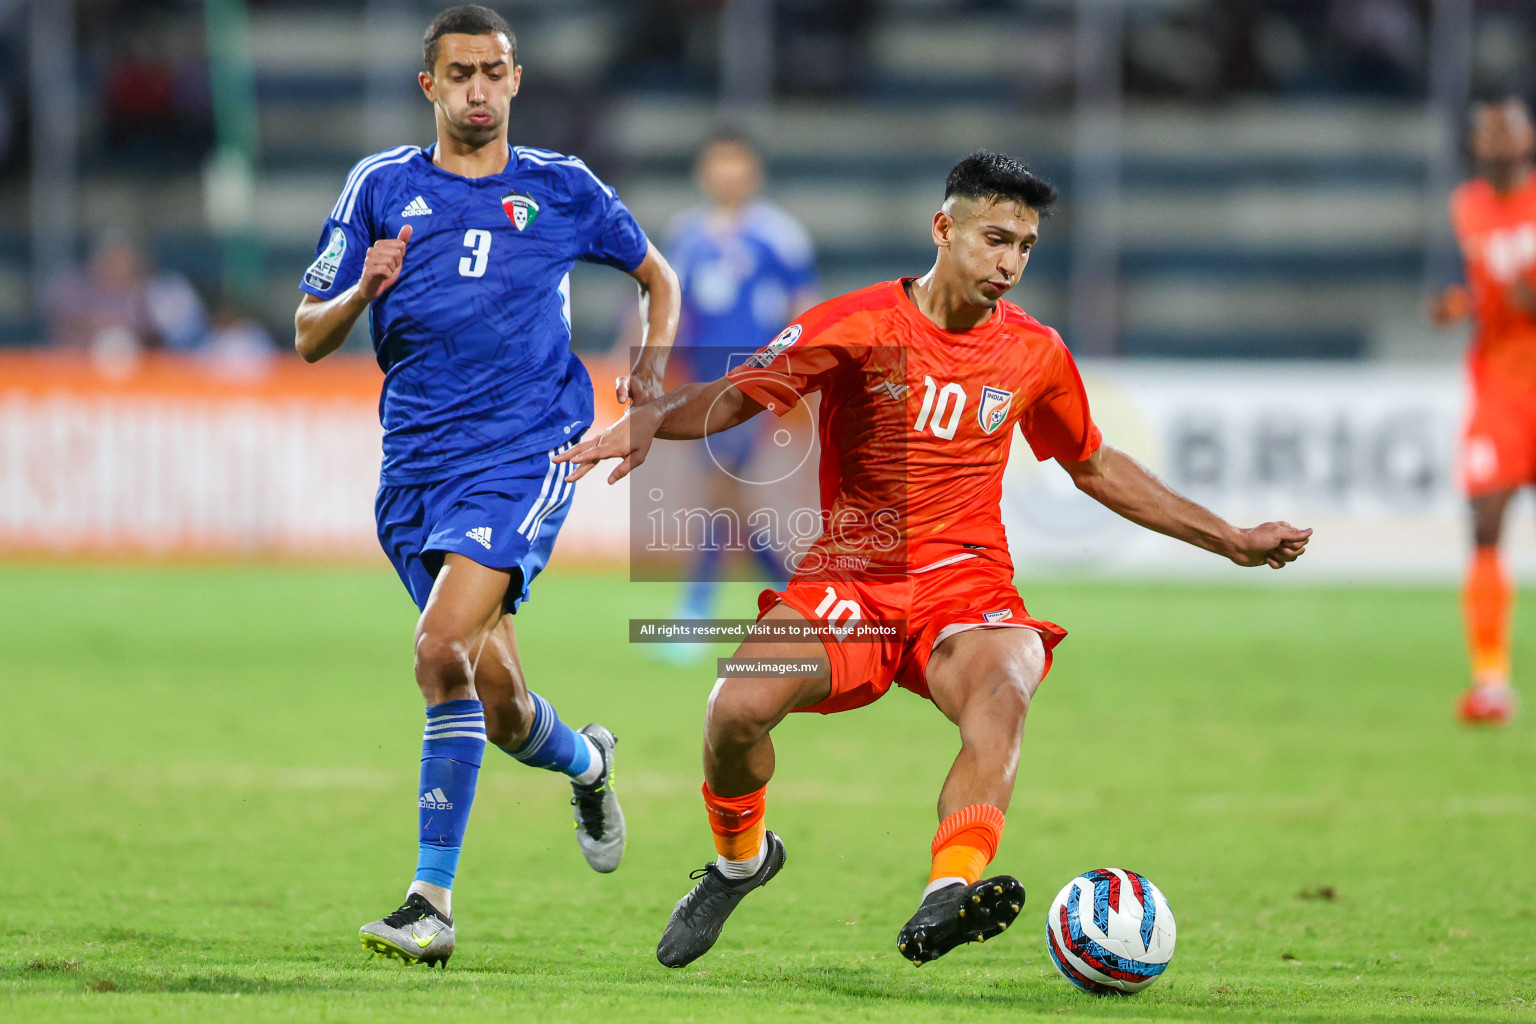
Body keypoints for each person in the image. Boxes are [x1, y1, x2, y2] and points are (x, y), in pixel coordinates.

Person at [558, 152, 1310, 969]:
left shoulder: (1035, 354)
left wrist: (1229, 538)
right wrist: (653, 418)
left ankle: (946, 894)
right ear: (942, 229)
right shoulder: (856, 325)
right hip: (851, 582)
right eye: (994, 238)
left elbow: (1091, 463)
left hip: (966, 588)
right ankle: (742, 862)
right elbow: (742, 392)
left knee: (1007, 681)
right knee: (734, 709)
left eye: (1025, 246)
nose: (1010, 263)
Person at [292, 5, 679, 967]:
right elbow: (307, 333)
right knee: (495, 697)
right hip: (415, 465)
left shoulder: (562, 188)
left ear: (515, 81)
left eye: (492, 72)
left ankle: (431, 903)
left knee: (435, 652)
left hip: (526, 450)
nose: (476, 88)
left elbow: (656, 279)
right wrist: (362, 292)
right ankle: (589, 762)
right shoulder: (380, 187)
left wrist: (647, 383)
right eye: (458, 72)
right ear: (430, 85)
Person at [660, 131, 819, 637]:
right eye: (718, 164)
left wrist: (808, 372)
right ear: (704, 172)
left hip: (759, 381)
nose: (727, 174)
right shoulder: (686, 235)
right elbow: (667, 303)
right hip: (701, 383)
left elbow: (805, 309)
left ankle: (697, 608)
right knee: (726, 496)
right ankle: (797, 597)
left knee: (720, 487)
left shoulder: (780, 235)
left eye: (737, 164)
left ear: (754, 172)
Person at [1431, 94, 1536, 727]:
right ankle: (1491, 681)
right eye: (1487, 133)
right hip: (1497, 384)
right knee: (1486, 517)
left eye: (1508, 131)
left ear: (1527, 139)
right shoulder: (1466, 205)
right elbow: (1485, 289)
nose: (1497, 142)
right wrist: (1457, 307)